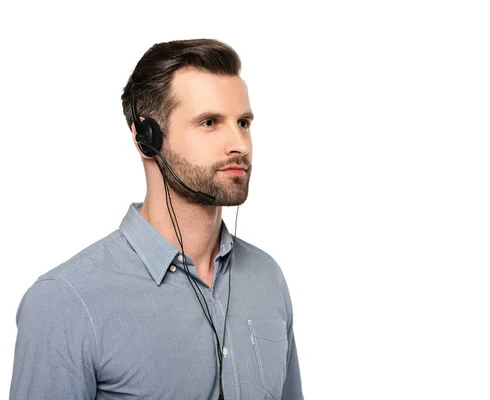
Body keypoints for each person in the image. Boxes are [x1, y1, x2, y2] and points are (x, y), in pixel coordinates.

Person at [10, 38, 303, 400]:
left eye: (243, 122)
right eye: (210, 122)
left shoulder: (266, 277)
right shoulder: (64, 302)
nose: (239, 144)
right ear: (147, 139)